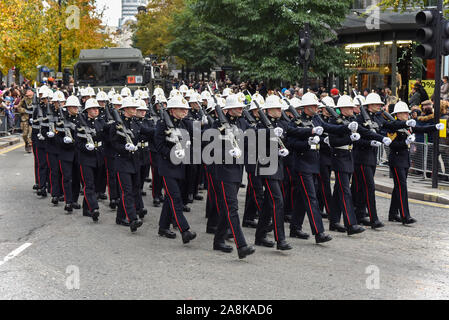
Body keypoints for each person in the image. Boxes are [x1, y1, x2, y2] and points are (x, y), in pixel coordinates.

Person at [387, 101, 445, 223]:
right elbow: (392, 144)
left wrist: (435, 127)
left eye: (407, 113)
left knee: (398, 187)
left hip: (404, 159)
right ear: (397, 114)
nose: (407, 115)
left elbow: (421, 128)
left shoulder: (409, 125)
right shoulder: (393, 125)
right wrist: (405, 143)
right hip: (396, 159)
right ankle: (405, 216)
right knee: (402, 187)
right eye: (403, 113)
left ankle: (393, 213)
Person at [155, 93, 197, 243]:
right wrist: (172, 153)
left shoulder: (185, 124)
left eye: (185, 109)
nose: (185, 111)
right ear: (172, 110)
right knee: (175, 197)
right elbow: (159, 146)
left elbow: (194, 140)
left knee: (170, 198)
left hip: (181, 166)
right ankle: (184, 230)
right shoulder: (162, 124)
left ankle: (163, 227)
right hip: (167, 167)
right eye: (181, 109)